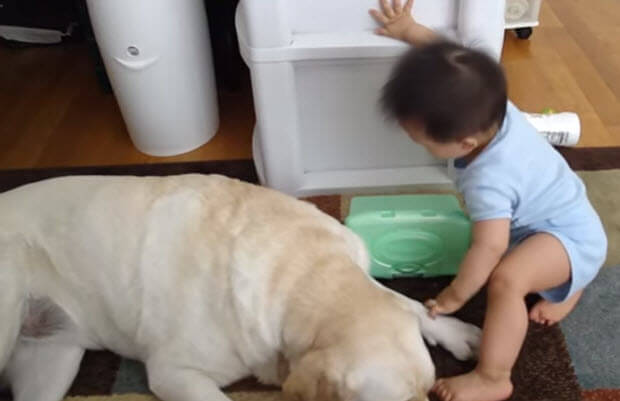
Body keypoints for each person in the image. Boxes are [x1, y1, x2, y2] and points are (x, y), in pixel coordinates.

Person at [370, 1, 608, 400]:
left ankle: (494, 376)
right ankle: (568, 285)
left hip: (569, 239)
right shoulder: (494, 107)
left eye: (421, 140)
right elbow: (452, 57)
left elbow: (490, 245)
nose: (416, 143)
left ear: (464, 144)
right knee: (517, 262)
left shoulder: (489, 179)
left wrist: (456, 295)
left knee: (505, 281)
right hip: (563, 221)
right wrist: (410, 30)